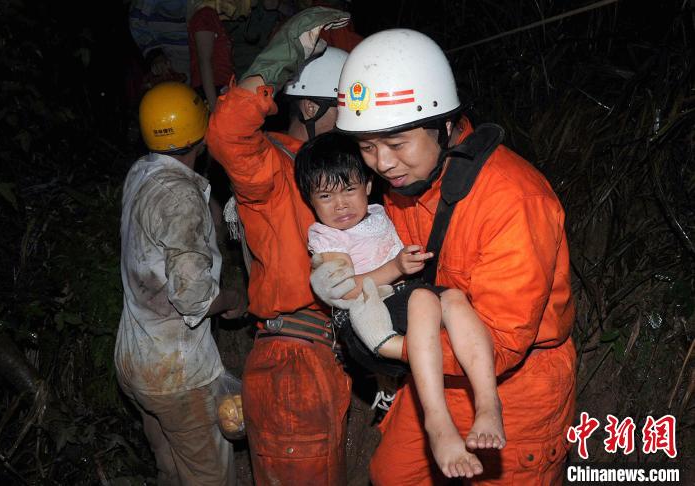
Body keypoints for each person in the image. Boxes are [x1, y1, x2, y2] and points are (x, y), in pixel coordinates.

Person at [312, 29, 577, 484]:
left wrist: (391, 347)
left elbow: (503, 342)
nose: (382, 164)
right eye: (367, 147)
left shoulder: (512, 200)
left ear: (444, 124)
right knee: (392, 475)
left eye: (396, 144)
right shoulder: (406, 187)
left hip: (513, 386)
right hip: (436, 375)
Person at [294, 132, 506, 478]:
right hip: (365, 319)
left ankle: (487, 402)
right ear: (311, 201)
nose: (341, 205)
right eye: (326, 196)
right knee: (425, 298)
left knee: (453, 298)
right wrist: (394, 267)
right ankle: (437, 421)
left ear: (367, 186)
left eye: (349, 190)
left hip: (402, 301)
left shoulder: (379, 213)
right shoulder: (326, 237)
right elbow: (342, 291)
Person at [205, 7, 354, 485]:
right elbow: (227, 133)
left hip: (315, 357)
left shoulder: (330, 175)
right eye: (342, 113)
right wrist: (282, 56)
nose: (353, 129)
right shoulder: (273, 166)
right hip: (293, 365)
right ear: (309, 108)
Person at [115, 81, 246, 486]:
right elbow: (193, 299)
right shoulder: (180, 199)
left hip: (136, 362)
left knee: (170, 468)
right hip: (178, 376)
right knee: (210, 477)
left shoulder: (141, 172)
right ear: (200, 132)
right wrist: (232, 299)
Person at [187, 1, 238, 111]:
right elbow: (204, 60)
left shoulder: (213, 16)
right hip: (212, 92)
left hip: (219, 89)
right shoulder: (205, 15)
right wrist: (213, 105)